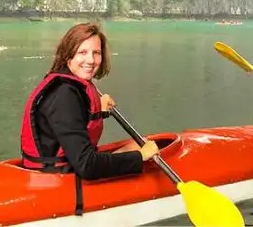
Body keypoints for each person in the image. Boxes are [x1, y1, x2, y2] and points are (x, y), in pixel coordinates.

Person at [20, 22, 159, 215]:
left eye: (96, 53)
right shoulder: (64, 95)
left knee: (134, 145)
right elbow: (87, 166)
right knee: (138, 150)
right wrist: (139, 157)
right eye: (82, 52)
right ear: (68, 55)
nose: (91, 60)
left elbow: (69, 125)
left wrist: (97, 110)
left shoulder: (71, 87)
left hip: (61, 169)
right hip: (58, 183)